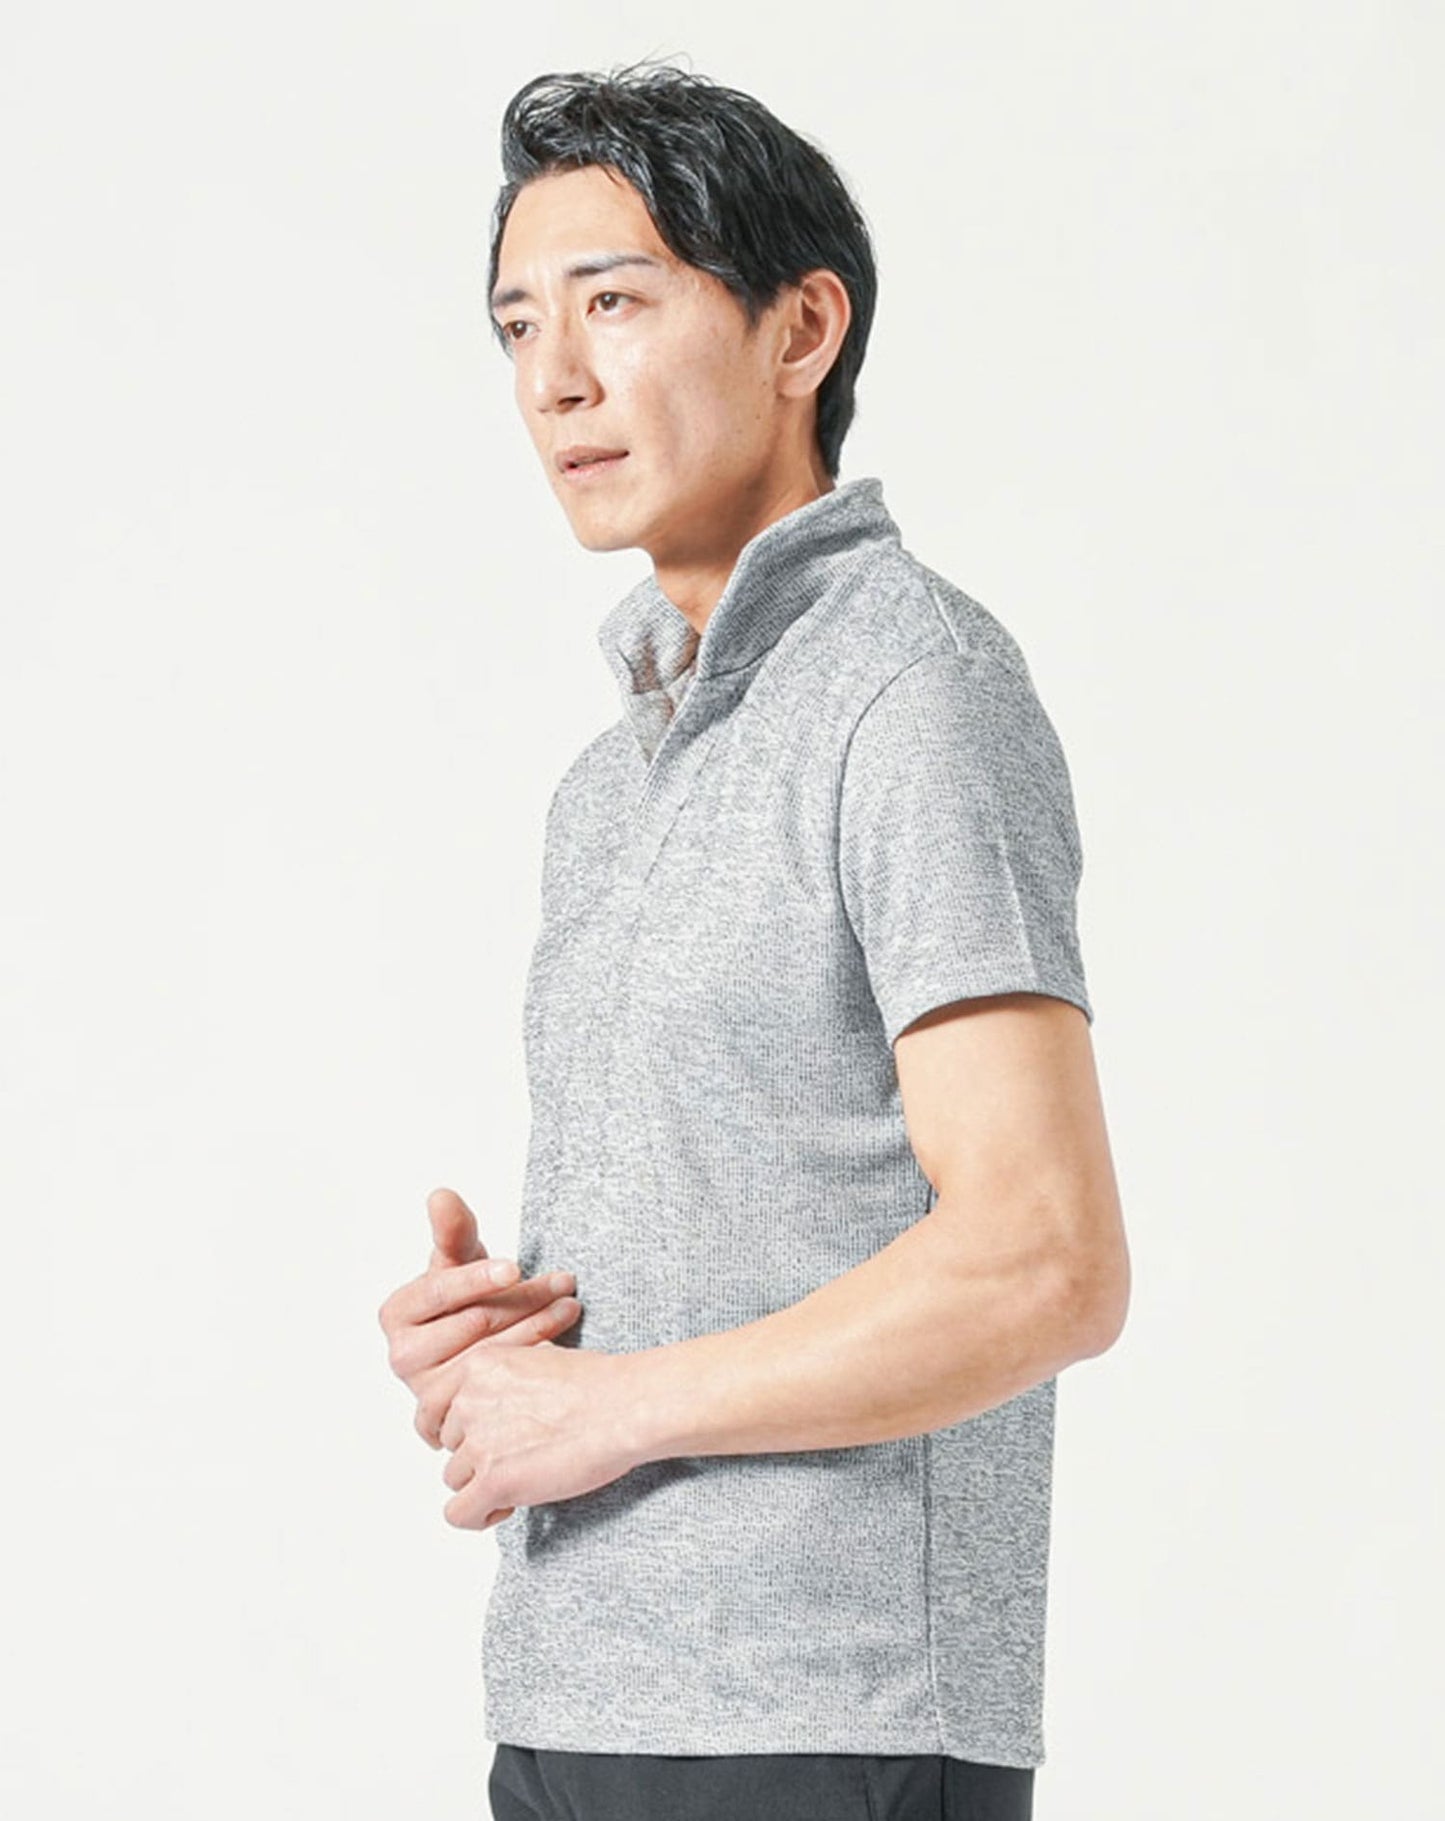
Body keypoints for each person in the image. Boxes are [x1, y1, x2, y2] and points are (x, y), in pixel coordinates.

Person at [378, 56, 1130, 1821]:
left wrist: (614, 1406)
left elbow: (1046, 1259)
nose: (553, 379)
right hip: (572, 1696)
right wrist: (508, 1358)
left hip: (824, 1718)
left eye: (613, 303)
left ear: (801, 330)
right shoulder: (606, 785)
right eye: (515, 326)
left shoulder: (913, 695)